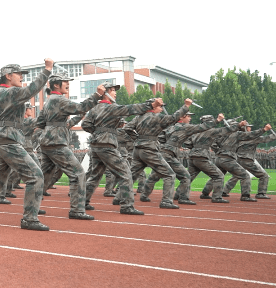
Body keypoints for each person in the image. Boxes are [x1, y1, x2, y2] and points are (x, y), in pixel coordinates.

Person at [0, 62, 51, 230]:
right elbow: (32, 90)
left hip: (3, 140)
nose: (22, 77)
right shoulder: (12, 92)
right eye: (19, 74)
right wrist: (47, 70)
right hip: (10, 140)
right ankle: (29, 219)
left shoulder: (0, 95)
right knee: (35, 176)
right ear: (8, 76)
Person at [81, 83, 159, 214]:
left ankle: (82, 202)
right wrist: (150, 105)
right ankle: (127, 206)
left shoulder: (94, 108)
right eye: (111, 90)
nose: (115, 93)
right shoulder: (111, 108)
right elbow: (130, 109)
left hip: (95, 145)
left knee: (94, 176)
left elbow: (85, 124)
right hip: (107, 144)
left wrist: (97, 132)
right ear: (105, 93)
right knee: (126, 173)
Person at [36, 74, 104, 220]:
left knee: (44, 177)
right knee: (78, 173)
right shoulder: (60, 100)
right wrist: (97, 95)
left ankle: (32, 206)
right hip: (57, 142)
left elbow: (40, 123)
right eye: (65, 82)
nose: (68, 84)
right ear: (56, 85)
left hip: (47, 142)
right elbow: (80, 107)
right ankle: (77, 210)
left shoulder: (48, 101)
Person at [124, 99, 195, 209]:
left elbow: (127, 128)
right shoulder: (157, 117)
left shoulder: (139, 117)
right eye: (160, 107)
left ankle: (119, 198)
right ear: (154, 107)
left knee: (131, 175)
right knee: (169, 175)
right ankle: (166, 201)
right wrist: (185, 106)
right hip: (149, 149)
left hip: (138, 149)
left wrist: (138, 139)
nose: (161, 109)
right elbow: (174, 118)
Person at [203, 120, 270, 202]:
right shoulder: (237, 134)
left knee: (217, 176)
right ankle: (245, 196)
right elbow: (252, 134)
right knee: (245, 176)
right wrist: (264, 129)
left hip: (219, 158)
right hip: (227, 159)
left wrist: (219, 151)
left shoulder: (222, 134)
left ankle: (205, 193)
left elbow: (213, 144)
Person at [153, 111, 210, 205]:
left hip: (165, 153)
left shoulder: (170, 128)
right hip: (169, 154)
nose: (190, 118)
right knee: (183, 176)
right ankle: (179, 198)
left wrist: (171, 144)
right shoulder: (185, 127)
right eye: (188, 116)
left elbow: (160, 139)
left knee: (156, 176)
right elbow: (203, 127)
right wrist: (217, 120)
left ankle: (144, 195)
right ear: (182, 117)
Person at [229, 125, 275, 199]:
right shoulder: (252, 138)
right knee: (263, 175)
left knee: (237, 176)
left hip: (238, 159)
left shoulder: (237, 137)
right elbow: (266, 138)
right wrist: (273, 135)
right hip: (247, 160)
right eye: (249, 127)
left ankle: (224, 191)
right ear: (245, 128)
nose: (250, 128)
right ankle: (261, 193)